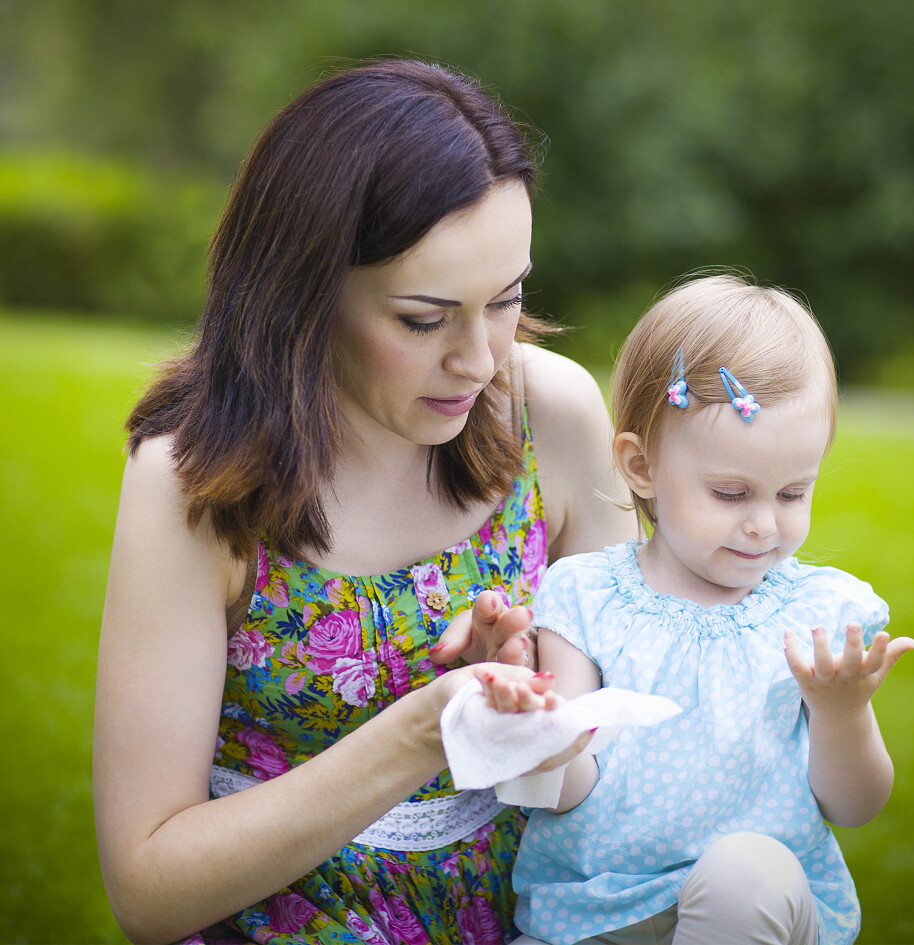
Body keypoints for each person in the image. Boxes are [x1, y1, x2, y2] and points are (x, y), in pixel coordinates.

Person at [93, 59, 635, 944]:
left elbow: (634, 754)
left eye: (507, 299)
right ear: (303, 289)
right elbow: (149, 890)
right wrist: (424, 732)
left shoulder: (554, 415)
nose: (479, 359)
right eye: (423, 318)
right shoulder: (194, 478)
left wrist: (539, 697)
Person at [475, 274, 914, 945]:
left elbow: (855, 806)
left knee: (744, 873)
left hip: (750, 913)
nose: (764, 524)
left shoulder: (814, 614)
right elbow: (567, 791)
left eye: (793, 493)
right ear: (641, 466)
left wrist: (843, 711)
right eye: (732, 493)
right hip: (596, 915)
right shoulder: (586, 598)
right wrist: (537, 736)